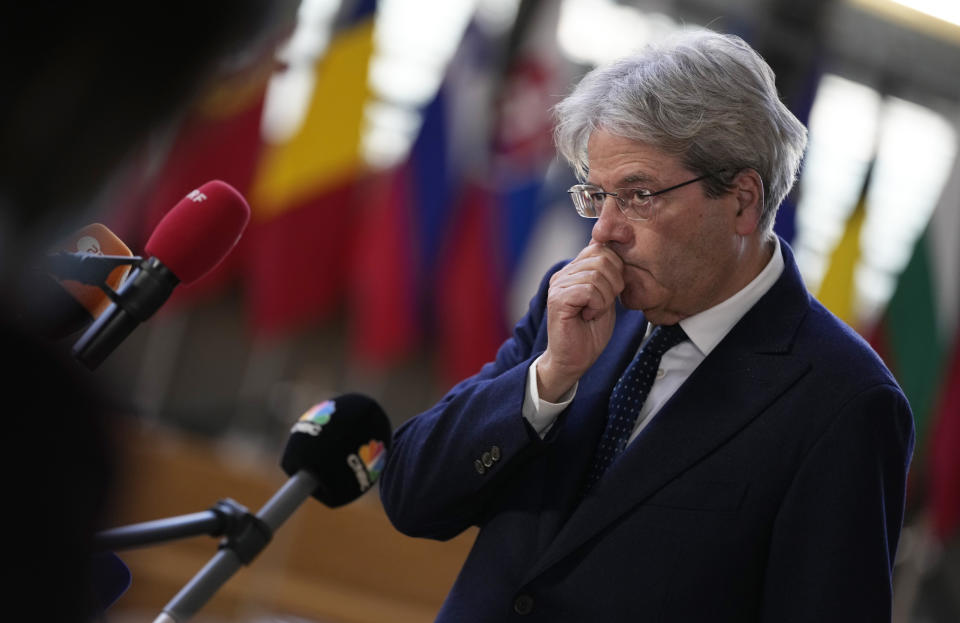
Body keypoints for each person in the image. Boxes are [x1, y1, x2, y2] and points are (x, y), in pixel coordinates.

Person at [379, 29, 914, 622]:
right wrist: (548, 380)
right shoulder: (575, 299)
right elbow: (410, 498)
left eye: (637, 196)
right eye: (595, 195)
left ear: (741, 201)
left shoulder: (846, 402)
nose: (604, 231)